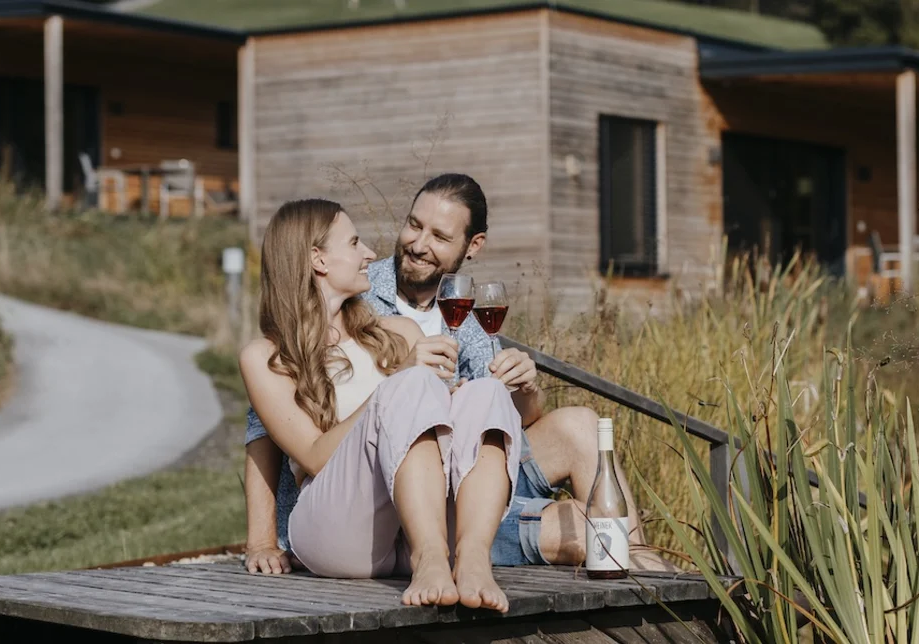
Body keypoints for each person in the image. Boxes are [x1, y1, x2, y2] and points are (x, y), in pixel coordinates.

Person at [242, 174, 671, 582]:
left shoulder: (455, 312)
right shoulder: (359, 291)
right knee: (577, 528)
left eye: (440, 237)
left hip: (453, 474)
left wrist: (522, 387)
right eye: (414, 225)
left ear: (472, 245)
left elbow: (505, 415)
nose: (416, 244)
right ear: (318, 259)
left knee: (572, 423)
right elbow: (273, 430)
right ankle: (458, 548)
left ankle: (650, 569)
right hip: (353, 503)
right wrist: (262, 539)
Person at [238, 198, 518, 611]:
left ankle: (472, 557)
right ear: (318, 259)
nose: (370, 253)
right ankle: (429, 558)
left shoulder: (398, 332)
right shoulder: (266, 357)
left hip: (413, 527)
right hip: (339, 532)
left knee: (485, 392)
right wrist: (396, 384)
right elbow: (314, 456)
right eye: (354, 243)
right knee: (410, 384)